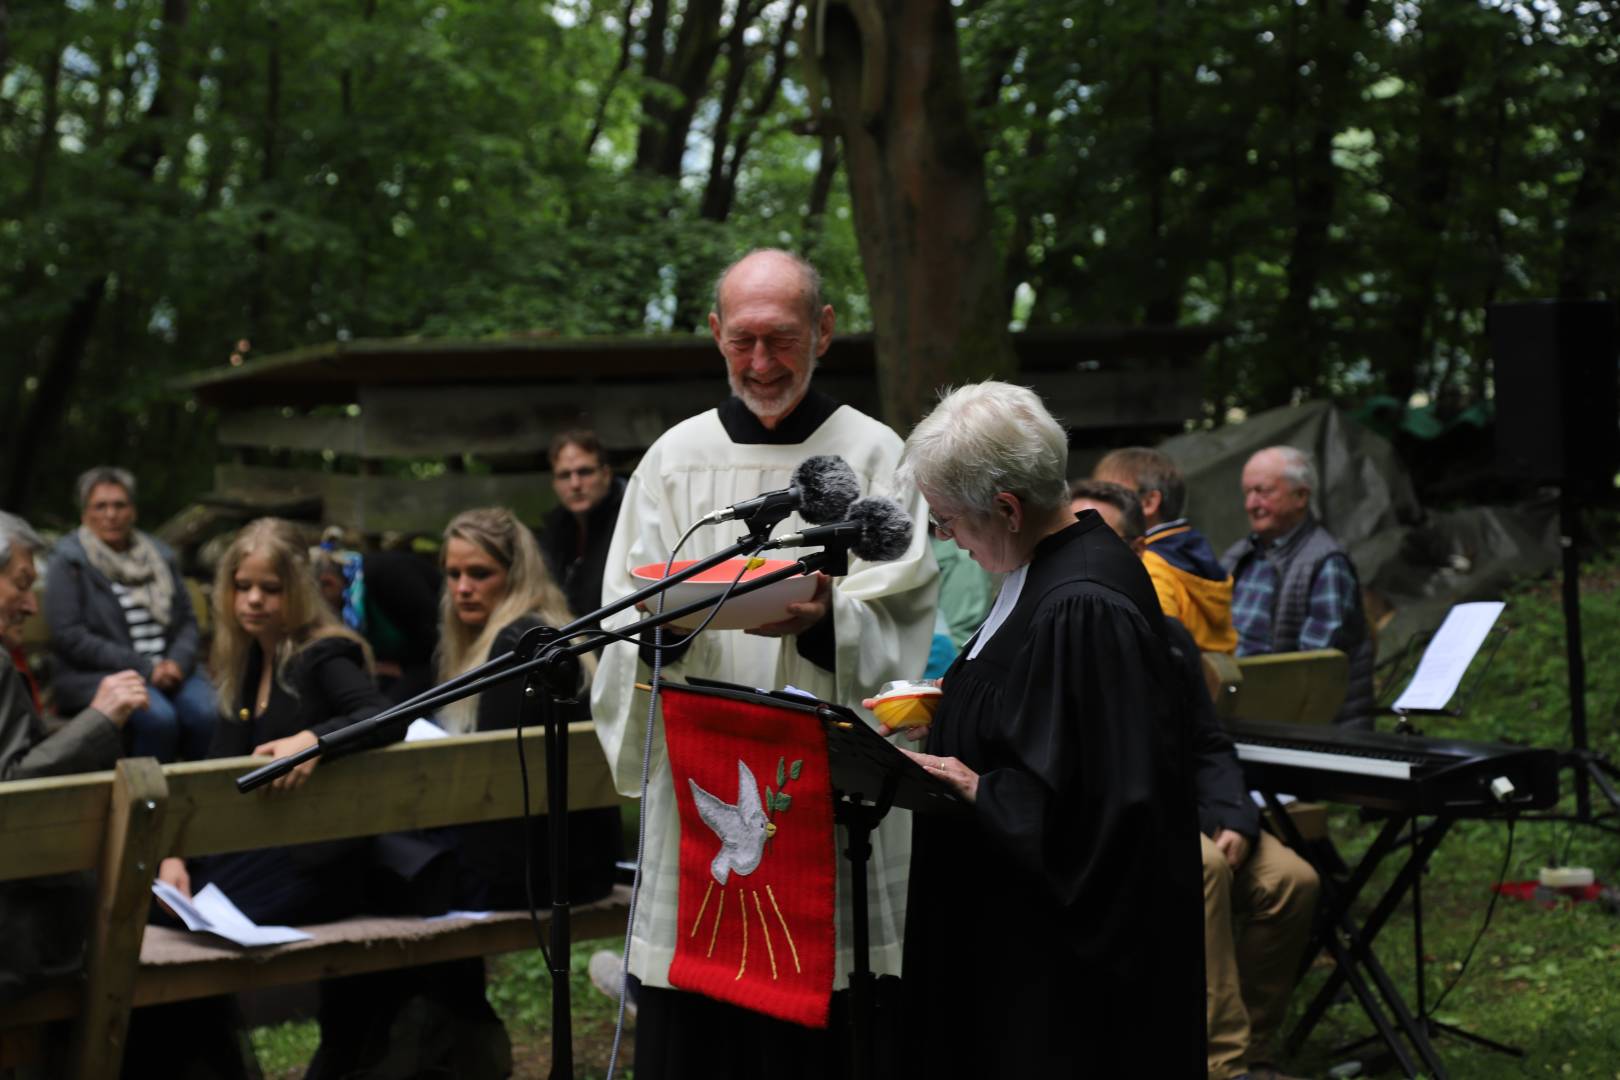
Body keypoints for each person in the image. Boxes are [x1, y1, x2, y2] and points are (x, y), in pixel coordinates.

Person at [591, 248, 937, 1077]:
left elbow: (904, 615)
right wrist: (659, 633)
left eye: (780, 340)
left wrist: (829, 621)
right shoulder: (674, 462)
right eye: (741, 341)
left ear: (823, 331)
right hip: (703, 776)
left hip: (829, 790)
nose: (760, 363)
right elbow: (618, 619)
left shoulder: (878, 455)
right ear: (715, 334)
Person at [887, 383, 1204, 1076]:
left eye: (947, 522)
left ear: (1006, 508)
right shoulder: (1037, 564)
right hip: (1004, 938)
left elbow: (1111, 807)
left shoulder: (1083, 604)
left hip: (1053, 979)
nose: (948, 541)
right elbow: (1048, 715)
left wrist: (985, 790)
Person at [1071, 479, 1317, 1080]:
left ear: (1138, 551)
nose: (1088, 553)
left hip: (1198, 812)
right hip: (1119, 825)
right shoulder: (1062, 632)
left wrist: (1233, 816)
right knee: (1203, 868)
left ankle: (1254, 1049)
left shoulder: (1172, 637)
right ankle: (1219, 1067)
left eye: (1106, 540)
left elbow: (1208, 742)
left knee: (1294, 881)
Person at [435, 506, 621, 908]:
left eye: (479, 574)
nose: (462, 588)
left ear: (515, 575)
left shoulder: (519, 646)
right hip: (579, 866)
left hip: (544, 875)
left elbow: (492, 777)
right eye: (453, 574)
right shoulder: (545, 633)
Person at [0, 511, 148, 1007]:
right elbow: (12, 787)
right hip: (18, 942)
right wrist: (100, 718)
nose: (29, 603)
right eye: (20, 584)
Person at [44, 466, 216, 761]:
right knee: (159, 720)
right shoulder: (69, 562)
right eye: (101, 506)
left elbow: (187, 619)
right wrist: (145, 668)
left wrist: (175, 663)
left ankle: (196, 798)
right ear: (85, 514)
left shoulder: (160, 557)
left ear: (132, 511)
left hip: (172, 671)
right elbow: (69, 635)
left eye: (119, 505)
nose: (111, 514)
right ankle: (144, 801)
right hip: (102, 675)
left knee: (209, 714)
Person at [1222, 446, 1375, 727]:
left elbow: (1310, 672)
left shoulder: (1326, 563)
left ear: (1301, 496)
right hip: (1241, 712)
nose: (1251, 504)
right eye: (1247, 493)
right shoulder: (1240, 555)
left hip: (1304, 730)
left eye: (1263, 491)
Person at [1094, 445, 1238, 653]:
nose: (1097, 507)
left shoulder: (1148, 565)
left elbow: (1154, 644)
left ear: (1149, 502)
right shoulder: (1192, 551)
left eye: (1109, 495)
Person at [313, 531, 443, 705]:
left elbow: (438, 644)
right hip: (405, 668)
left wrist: (401, 668)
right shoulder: (350, 607)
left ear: (329, 583)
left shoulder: (389, 576)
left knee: (384, 711)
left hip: (438, 662)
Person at [538, 428, 626, 624]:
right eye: (564, 475)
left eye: (585, 472)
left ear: (606, 474)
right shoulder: (555, 531)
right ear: (554, 483)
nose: (575, 484)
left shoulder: (627, 522)